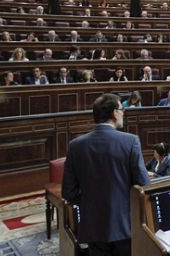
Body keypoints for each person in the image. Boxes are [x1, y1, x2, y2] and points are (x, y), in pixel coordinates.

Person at [62, 93, 150, 255]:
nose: (124, 112)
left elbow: (68, 192)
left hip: (93, 225)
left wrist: (91, 201)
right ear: (114, 113)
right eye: (122, 109)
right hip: (125, 225)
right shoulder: (130, 141)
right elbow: (143, 183)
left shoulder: (75, 145)